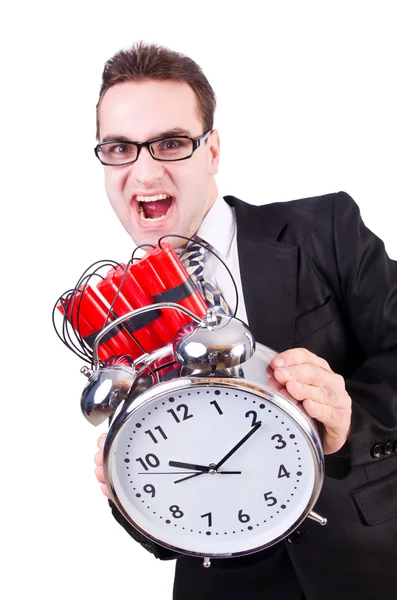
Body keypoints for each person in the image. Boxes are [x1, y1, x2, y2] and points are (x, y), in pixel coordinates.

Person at [93, 42, 397, 600]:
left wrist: (349, 419)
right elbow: (168, 527)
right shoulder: (113, 316)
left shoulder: (324, 228)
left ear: (211, 151)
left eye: (170, 142)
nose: (144, 169)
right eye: (120, 147)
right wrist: (132, 493)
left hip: (372, 568)